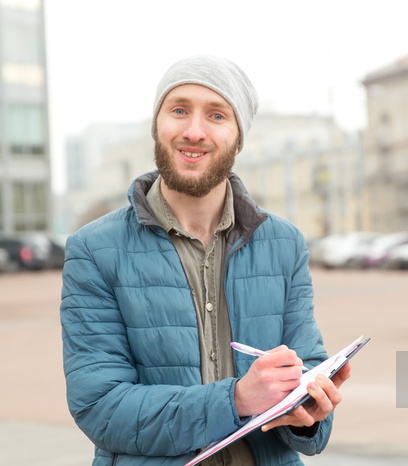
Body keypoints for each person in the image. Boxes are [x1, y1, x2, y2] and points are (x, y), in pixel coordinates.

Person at [60, 55, 351, 465]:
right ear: (157, 125)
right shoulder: (94, 248)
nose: (194, 131)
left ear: (238, 137)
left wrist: (309, 412)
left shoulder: (285, 243)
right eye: (179, 110)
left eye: (216, 115)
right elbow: (101, 407)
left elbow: (307, 363)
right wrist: (235, 399)